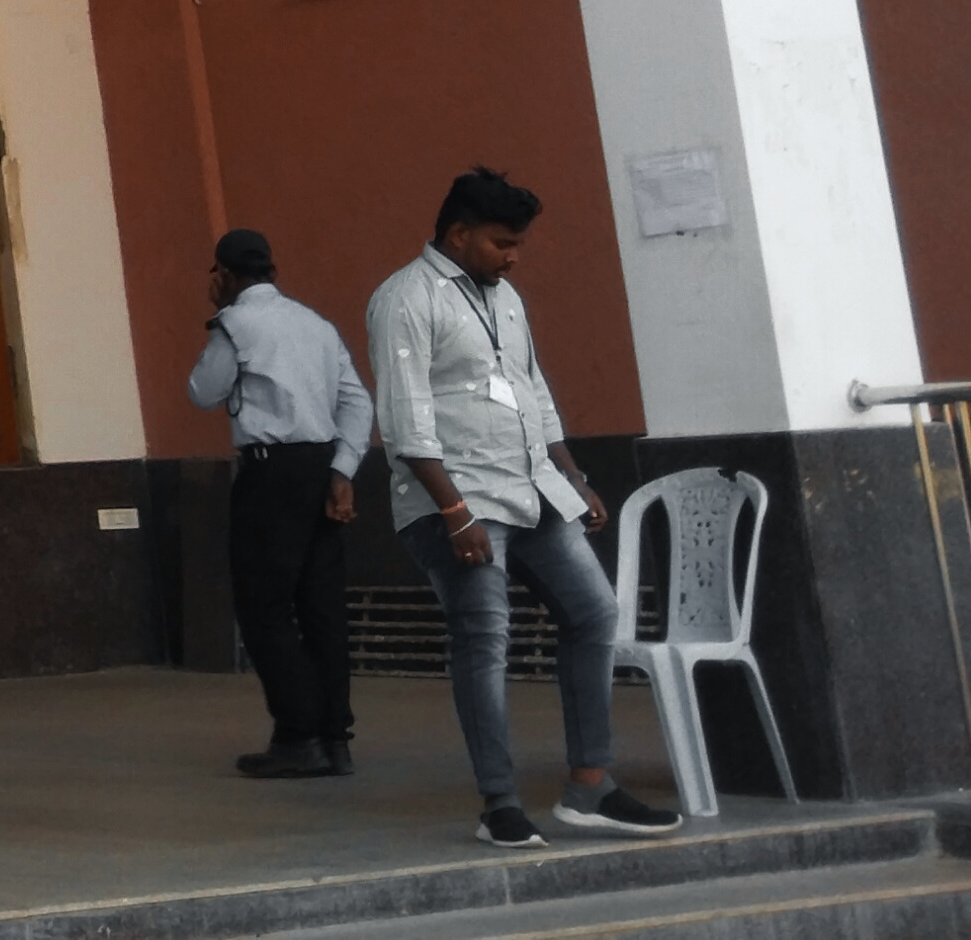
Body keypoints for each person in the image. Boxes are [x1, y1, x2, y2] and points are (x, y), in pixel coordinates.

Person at [368, 168, 683, 847]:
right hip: (457, 499)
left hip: (533, 489)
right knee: (485, 639)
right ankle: (500, 805)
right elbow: (403, 420)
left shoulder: (505, 296)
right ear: (459, 233)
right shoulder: (405, 298)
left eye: (517, 244)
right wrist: (455, 513)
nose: (513, 257)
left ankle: (590, 787)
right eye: (502, 243)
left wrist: (572, 476)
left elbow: (531, 390)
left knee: (594, 613)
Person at [187, 226, 369, 778]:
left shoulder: (236, 324)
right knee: (321, 608)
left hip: (270, 475)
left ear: (224, 275)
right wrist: (342, 470)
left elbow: (203, 392)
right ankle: (335, 738)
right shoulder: (316, 324)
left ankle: (298, 734)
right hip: (321, 468)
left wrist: (221, 318)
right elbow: (357, 403)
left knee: (264, 607)